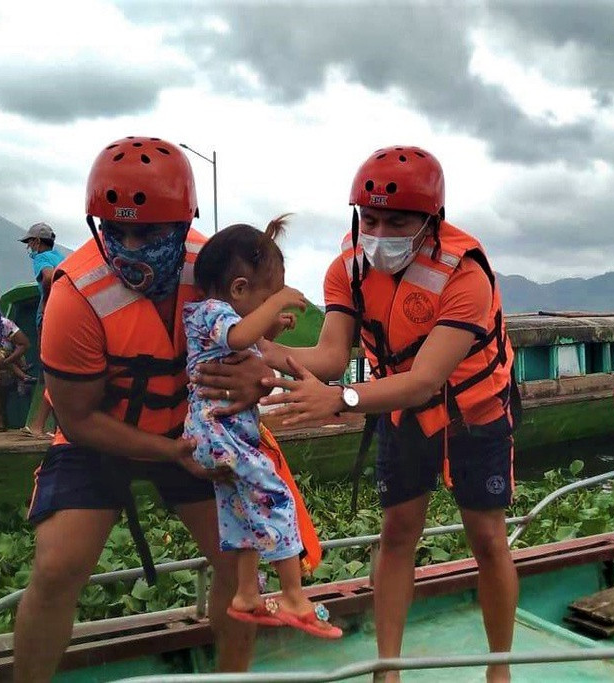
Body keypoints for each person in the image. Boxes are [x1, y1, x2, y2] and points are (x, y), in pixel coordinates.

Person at [255, 146, 520, 681]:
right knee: (397, 532)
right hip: (402, 416)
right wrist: (260, 348)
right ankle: (388, 669)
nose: (380, 234)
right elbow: (331, 356)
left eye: (398, 222)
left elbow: (424, 379)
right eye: (370, 220)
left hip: (474, 413)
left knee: (488, 538)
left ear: (431, 221)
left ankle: (500, 669)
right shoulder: (347, 269)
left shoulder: (465, 275)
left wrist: (341, 399)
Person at [12, 136, 255, 683]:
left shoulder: (216, 270)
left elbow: (254, 347)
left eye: (147, 232)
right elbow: (77, 419)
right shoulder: (75, 296)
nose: (130, 245)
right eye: (116, 230)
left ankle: (232, 676)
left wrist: (252, 377)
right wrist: (169, 452)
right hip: (100, 438)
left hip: (194, 429)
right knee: (57, 567)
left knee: (239, 562)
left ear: (183, 224)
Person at [184, 217, 340, 638]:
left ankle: (246, 594)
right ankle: (293, 596)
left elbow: (249, 336)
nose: (274, 304)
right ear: (238, 289)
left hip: (219, 436)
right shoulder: (212, 313)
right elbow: (238, 337)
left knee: (241, 511)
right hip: (221, 434)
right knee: (275, 496)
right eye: (268, 296)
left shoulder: (220, 317)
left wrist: (273, 322)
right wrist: (277, 304)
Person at [20, 222, 64, 439]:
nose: (29, 247)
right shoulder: (62, 257)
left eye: (30, 242)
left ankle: (38, 425)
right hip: (66, 313)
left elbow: (48, 276)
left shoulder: (41, 258)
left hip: (49, 316)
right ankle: (57, 427)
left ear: (37, 242)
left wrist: (47, 300)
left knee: (49, 370)